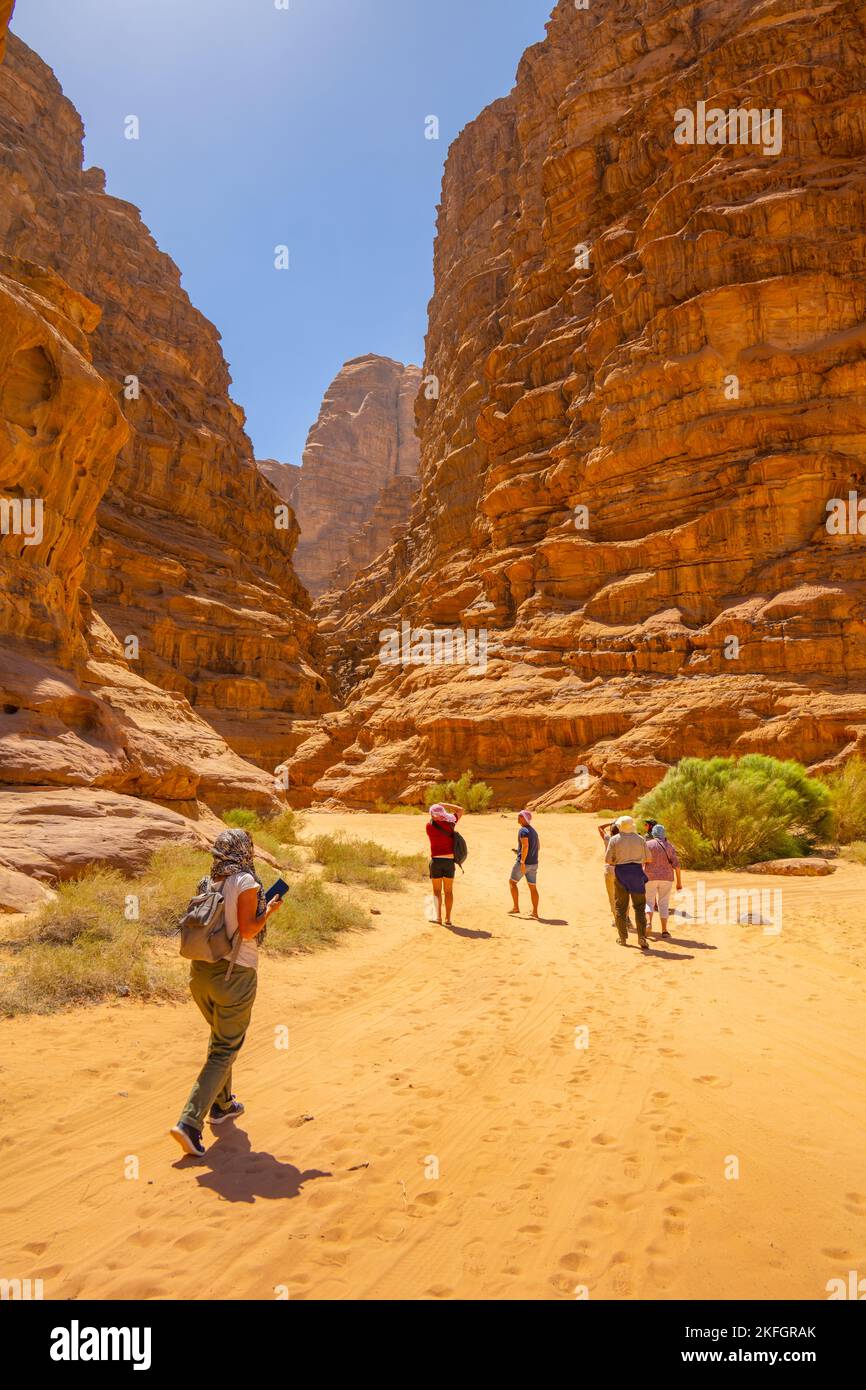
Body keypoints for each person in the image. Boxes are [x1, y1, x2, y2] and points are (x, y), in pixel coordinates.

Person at [170, 828, 284, 1157]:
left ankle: (222, 1105)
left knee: (221, 1039)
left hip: (201, 973)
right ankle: (189, 1122)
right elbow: (248, 930)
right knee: (224, 1047)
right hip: (235, 975)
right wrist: (271, 909)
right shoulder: (246, 881)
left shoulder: (209, 882)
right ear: (244, 850)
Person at [604, 814, 650, 949]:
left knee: (620, 908)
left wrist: (619, 861)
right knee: (640, 907)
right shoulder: (640, 839)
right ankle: (641, 937)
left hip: (622, 874)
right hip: (637, 873)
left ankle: (623, 937)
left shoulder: (614, 839)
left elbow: (608, 860)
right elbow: (649, 858)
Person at [426, 801, 464, 927]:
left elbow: (433, 817)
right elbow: (461, 810)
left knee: (436, 891)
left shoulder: (429, 826)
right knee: (448, 891)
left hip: (436, 861)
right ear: (442, 812)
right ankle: (448, 918)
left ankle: (438, 918)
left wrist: (437, 811)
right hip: (449, 862)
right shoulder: (451, 823)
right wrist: (444, 805)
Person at [644, 823, 682, 937]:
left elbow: (642, 862)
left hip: (650, 877)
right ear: (663, 833)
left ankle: (648, 923)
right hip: (667, 878)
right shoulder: (669, 846)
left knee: (649, 902)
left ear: (653, 833)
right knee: (664, 903)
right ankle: (664, 931)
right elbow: (677, 865)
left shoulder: (647, 844)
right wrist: (679, 882)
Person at [598, 819, 629, 934]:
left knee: (612, 895)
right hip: (623, 869)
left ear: (611, 831)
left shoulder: (608, 839)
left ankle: (617, 919)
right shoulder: (625, 840)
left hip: (610, 869)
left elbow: (599, 827)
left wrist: (611, 823)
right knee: (624, 895)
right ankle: (626, 918)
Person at [508, 810, 540, 918]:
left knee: (512, 883)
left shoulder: (523, 830)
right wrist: (519, 852)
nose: (518, 817)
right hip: (534, 863)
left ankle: (516, 907)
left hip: (524, 863)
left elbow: (525, 846)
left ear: (524, 818)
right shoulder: (534, 831)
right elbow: (537, 847)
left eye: (520, 816)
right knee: (533, 888)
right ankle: (535, 912)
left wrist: (522, 861)